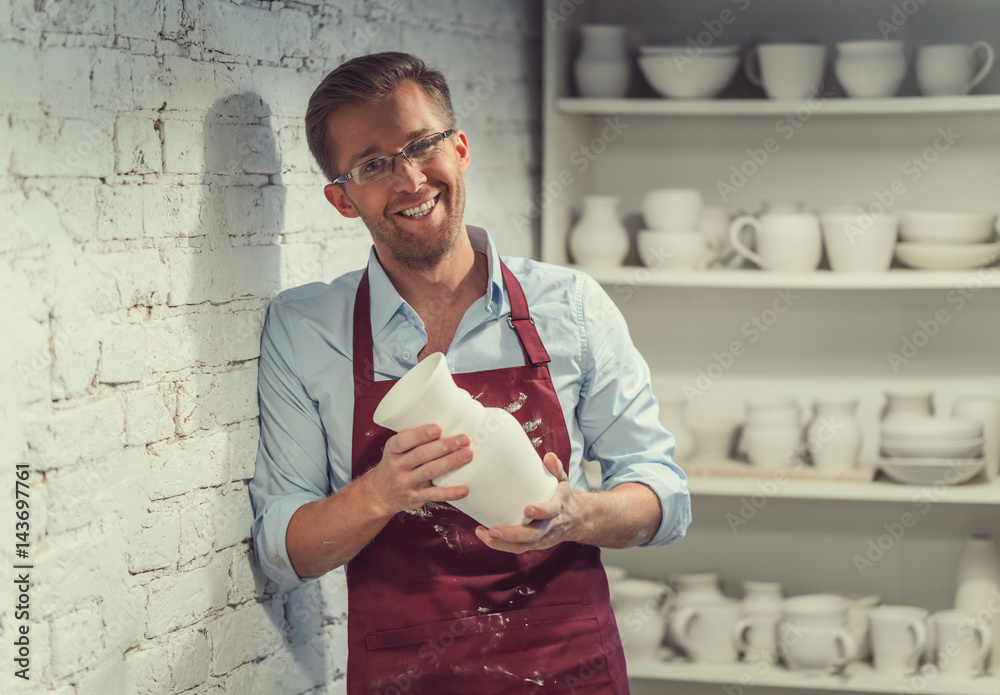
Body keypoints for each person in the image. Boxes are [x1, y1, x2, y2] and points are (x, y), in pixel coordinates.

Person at [249, 51, 691, 693]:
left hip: (569, 666)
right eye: (373, 164)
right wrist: (382, 492)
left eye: (422, 144)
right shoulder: (305, 327)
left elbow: (664, 497)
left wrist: (578, 515)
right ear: (342, 199)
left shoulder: (569, 305)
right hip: (405, 673)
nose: (409, 179)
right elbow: (282, 554)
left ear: (458, 148)